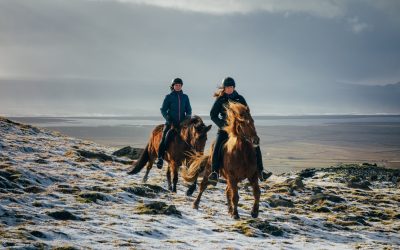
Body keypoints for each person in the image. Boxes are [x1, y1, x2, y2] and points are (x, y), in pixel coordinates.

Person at [208, 77, 272, 185]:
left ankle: (261, 171)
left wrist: (248, 123)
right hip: (225, 129)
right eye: (227, 87)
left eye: (231, 87)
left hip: (241, 130)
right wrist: (223, 125)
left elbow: (247, 112)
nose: (229, 89)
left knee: (255, 143)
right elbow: (212, 115)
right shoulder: (220, 100)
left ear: (234, 87)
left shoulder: (240, 98)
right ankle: (214, 172)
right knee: (217, 145)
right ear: (224, 88)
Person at [156, 78, 192, 169]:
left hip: (182, 124)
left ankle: (190, 158)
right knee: (165, 136)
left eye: (179, 85)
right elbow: (163, 110)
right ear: (173, 86)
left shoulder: (185, 97)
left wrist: (187, 118)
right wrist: (169, 119)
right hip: (171, 123)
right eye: (176, 85)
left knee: (191, 138)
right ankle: (160, 158)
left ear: (181, 86)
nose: (178, 86)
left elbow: (189, 110)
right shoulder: (168, 97)